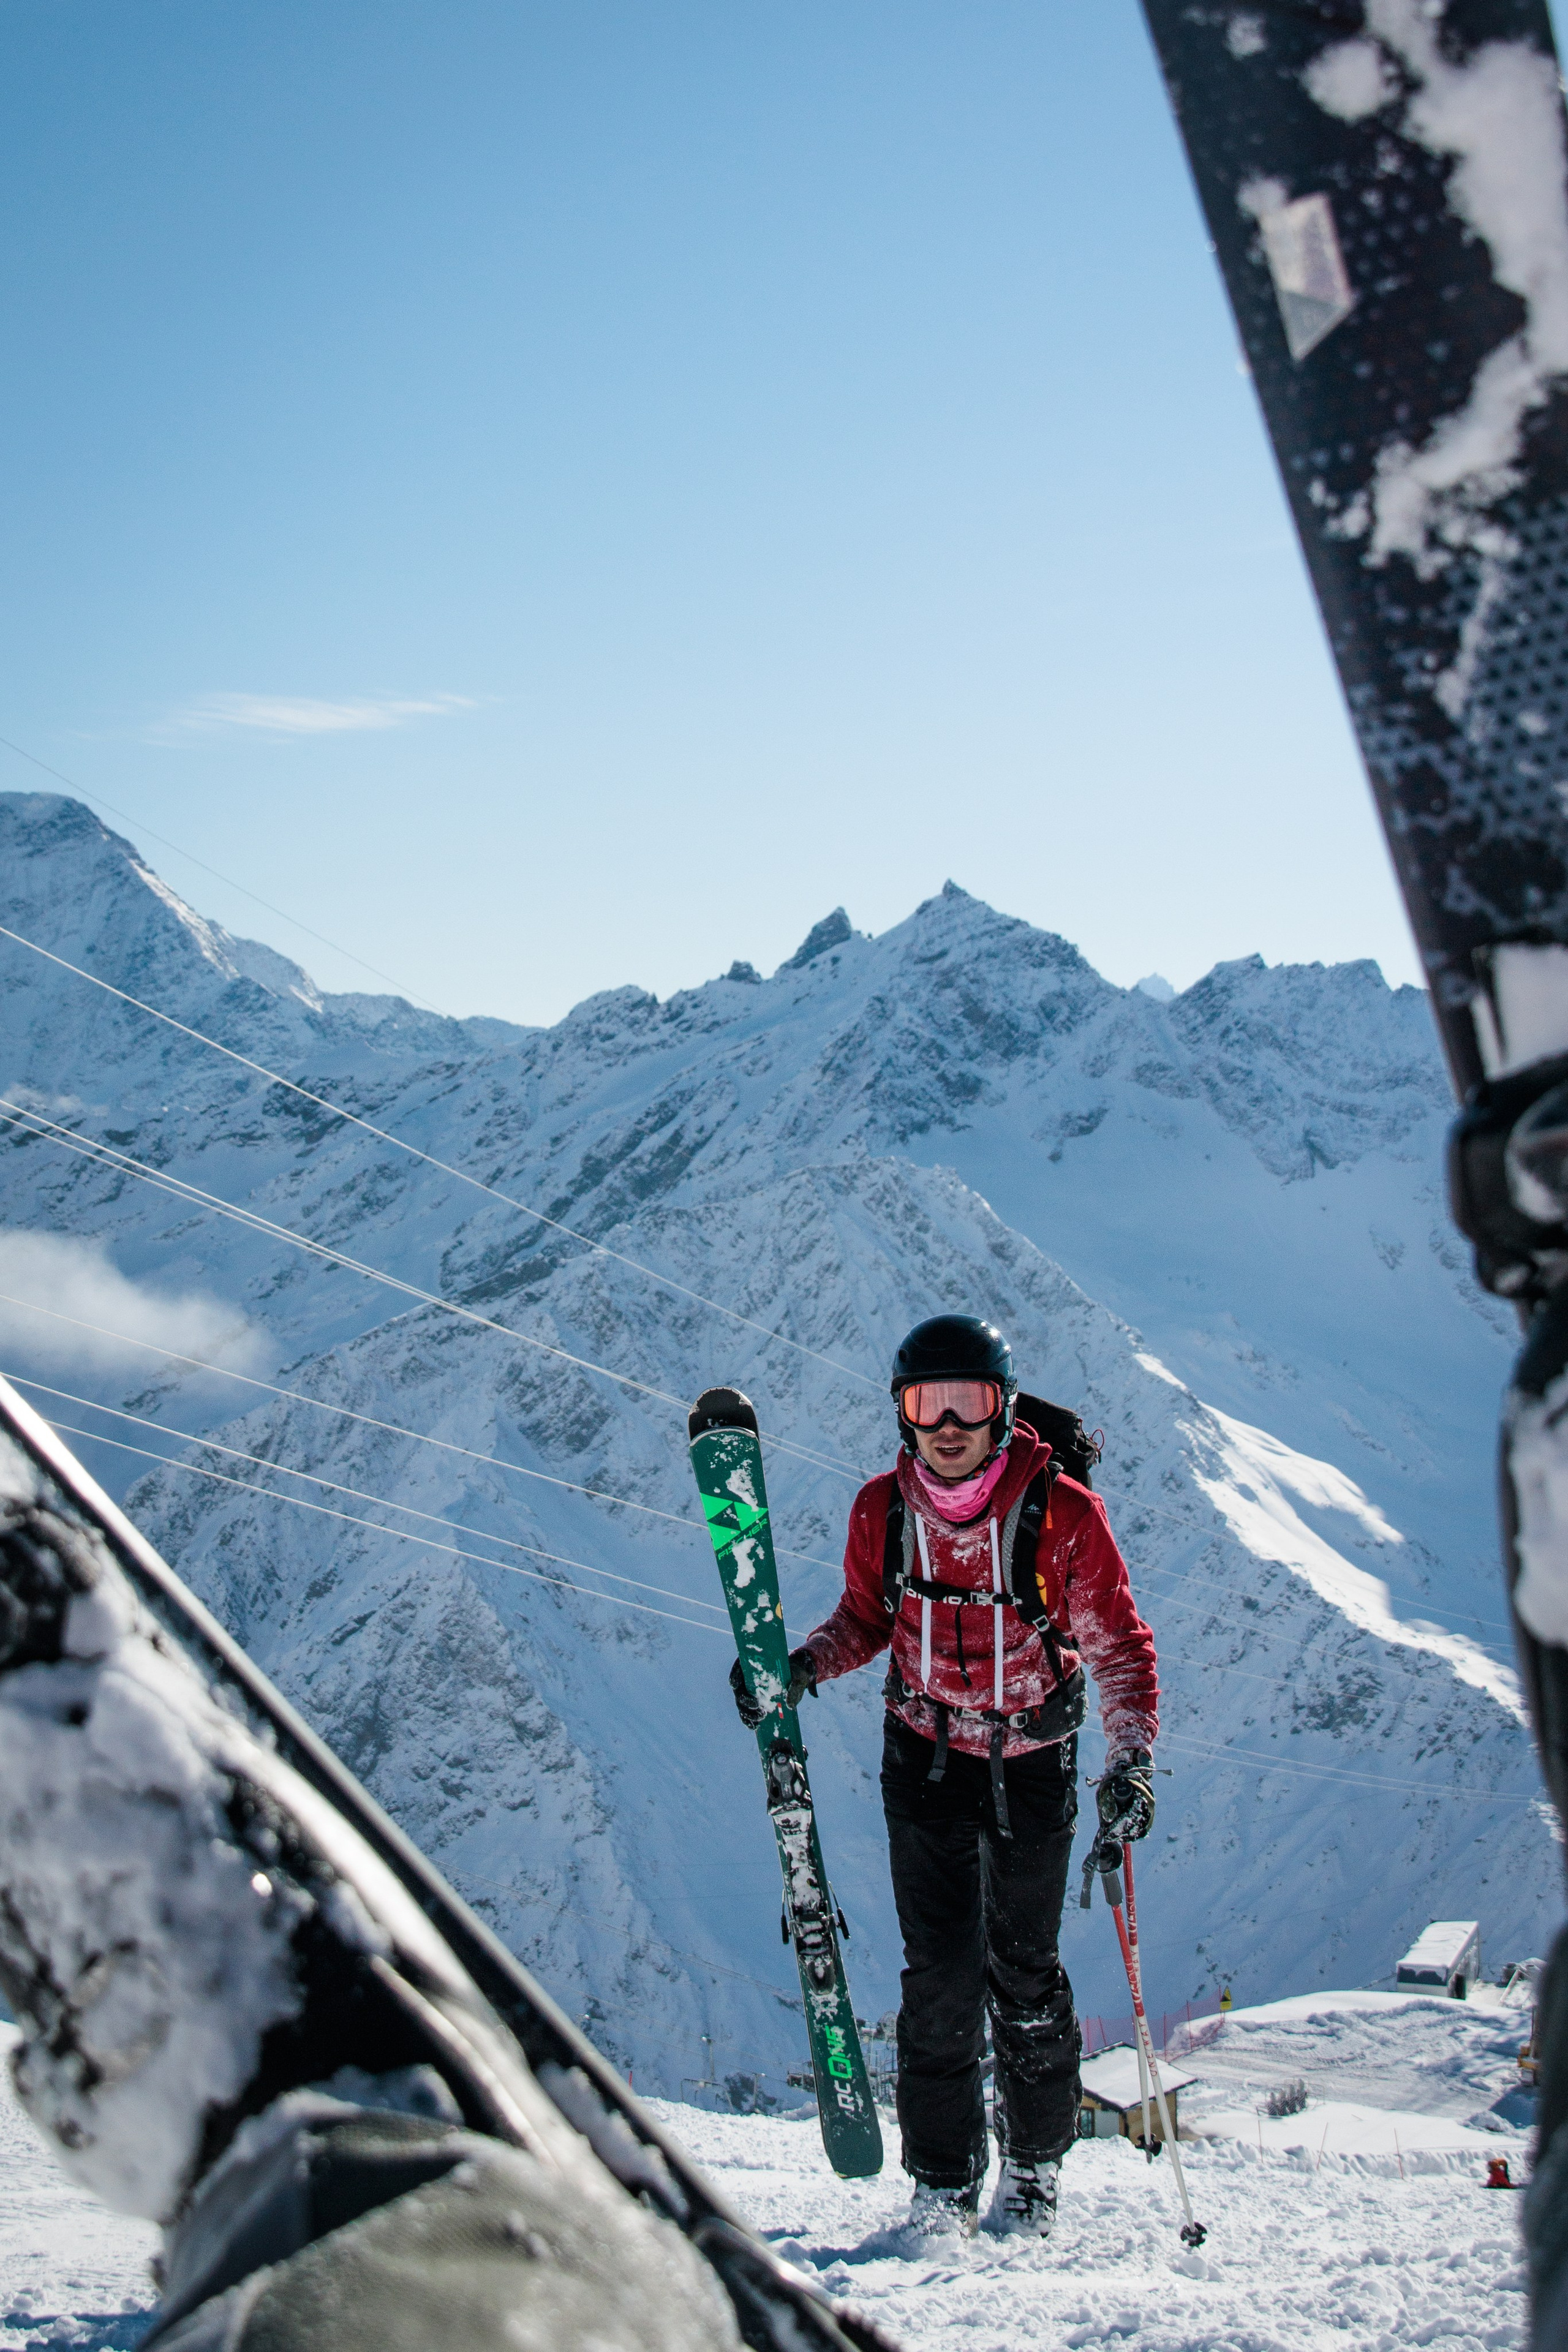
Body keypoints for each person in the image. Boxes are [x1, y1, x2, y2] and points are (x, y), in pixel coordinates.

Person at [734, 1314, 1158, 2241]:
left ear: (1003, 1408)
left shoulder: (1060, 1513)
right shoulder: (881, 1510)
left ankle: (1036, 2172)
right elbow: (864, 1617)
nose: (949, 1423)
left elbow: (1119, 1648)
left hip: (1032, 1762)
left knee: (1026, 1974)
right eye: (929, 1403)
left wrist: (1131, 1761)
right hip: (922, 1757)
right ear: (903, 1416)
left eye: (970, 1400)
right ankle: (943, 2182)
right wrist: (804, 1665)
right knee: (938, 1980)